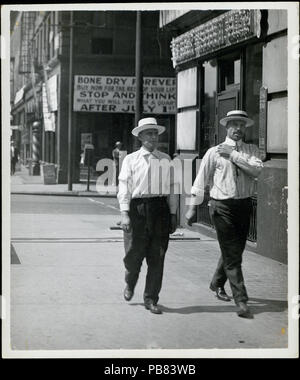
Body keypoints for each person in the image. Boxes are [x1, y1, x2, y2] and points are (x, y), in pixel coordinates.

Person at [185, 110, 263, 318]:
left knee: (235, 250)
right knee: (232, 253)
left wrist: (234, 155)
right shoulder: (214, 152)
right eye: (233, 124)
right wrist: (193, 207)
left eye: (241, 125)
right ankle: (242, 300)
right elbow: (200, 181)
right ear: (226, 127)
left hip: (244, 206)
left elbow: (256, 171)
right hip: (221, 207)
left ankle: (216, 282)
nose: (238, 128)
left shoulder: (251, 150)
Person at [117, 117, 178, 314]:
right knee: (134, 254)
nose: (153, 136)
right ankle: (130, 280)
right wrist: (125, 213)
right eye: (148, 133)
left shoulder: (166, 159)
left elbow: (172, 189)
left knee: (157, 256)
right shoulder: (131, 160)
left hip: (159, 209)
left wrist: (173, 214)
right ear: (141, 137)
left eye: (155, 133)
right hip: (137, 210)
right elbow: (124, 187)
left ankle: (151, 298)